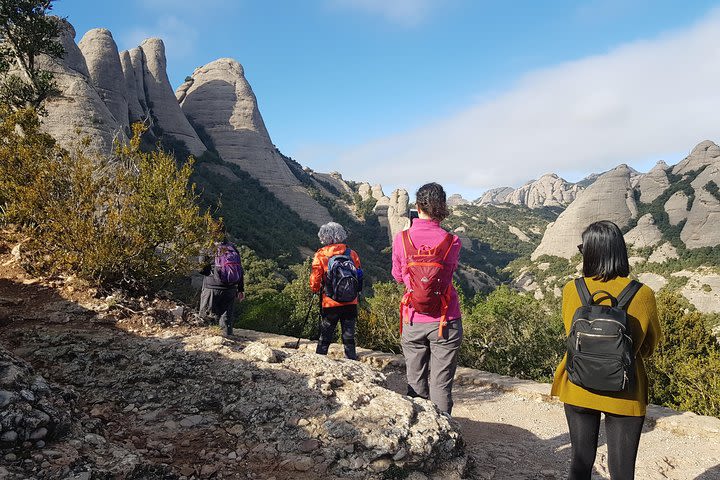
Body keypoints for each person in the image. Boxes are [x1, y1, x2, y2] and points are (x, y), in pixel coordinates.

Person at [551, 220, 661, 480]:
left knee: (580, 463)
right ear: (619, 251)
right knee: (622, 471)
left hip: (578, 385)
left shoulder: (572, 289)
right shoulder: (642, 294)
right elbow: (649, 347)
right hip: (624, 390)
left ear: (589, 252)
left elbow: (571, 332)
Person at [392, 182, 462, 415]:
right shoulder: (452, 241)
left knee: (415, 382)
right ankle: (445, 438)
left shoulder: (401, 239)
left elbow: (398, 277)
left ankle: (420, 434)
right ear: (441, 207)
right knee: (441, 385)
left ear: (417, 205)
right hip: (446, 319)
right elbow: (449, 272)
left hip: (413, 318)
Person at [310, 222, 363, 360]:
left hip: (330, 302)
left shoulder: (321, 255)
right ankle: (351, 360)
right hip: (351, 301)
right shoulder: (352, 253)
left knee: (326, 334)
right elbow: (359, 275)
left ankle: (319, 359)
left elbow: (315, 278)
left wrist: (315, 289)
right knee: (349, 335)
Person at [199, 237, 245, 337]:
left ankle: (207, 344)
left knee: (206, 318)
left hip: (211, 288)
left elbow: (202, 270)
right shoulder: (232, 247)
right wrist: (240, 289)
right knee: (226, 319)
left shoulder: (208, 247)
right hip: (231, 289)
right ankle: (228, 339)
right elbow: (239, 269)